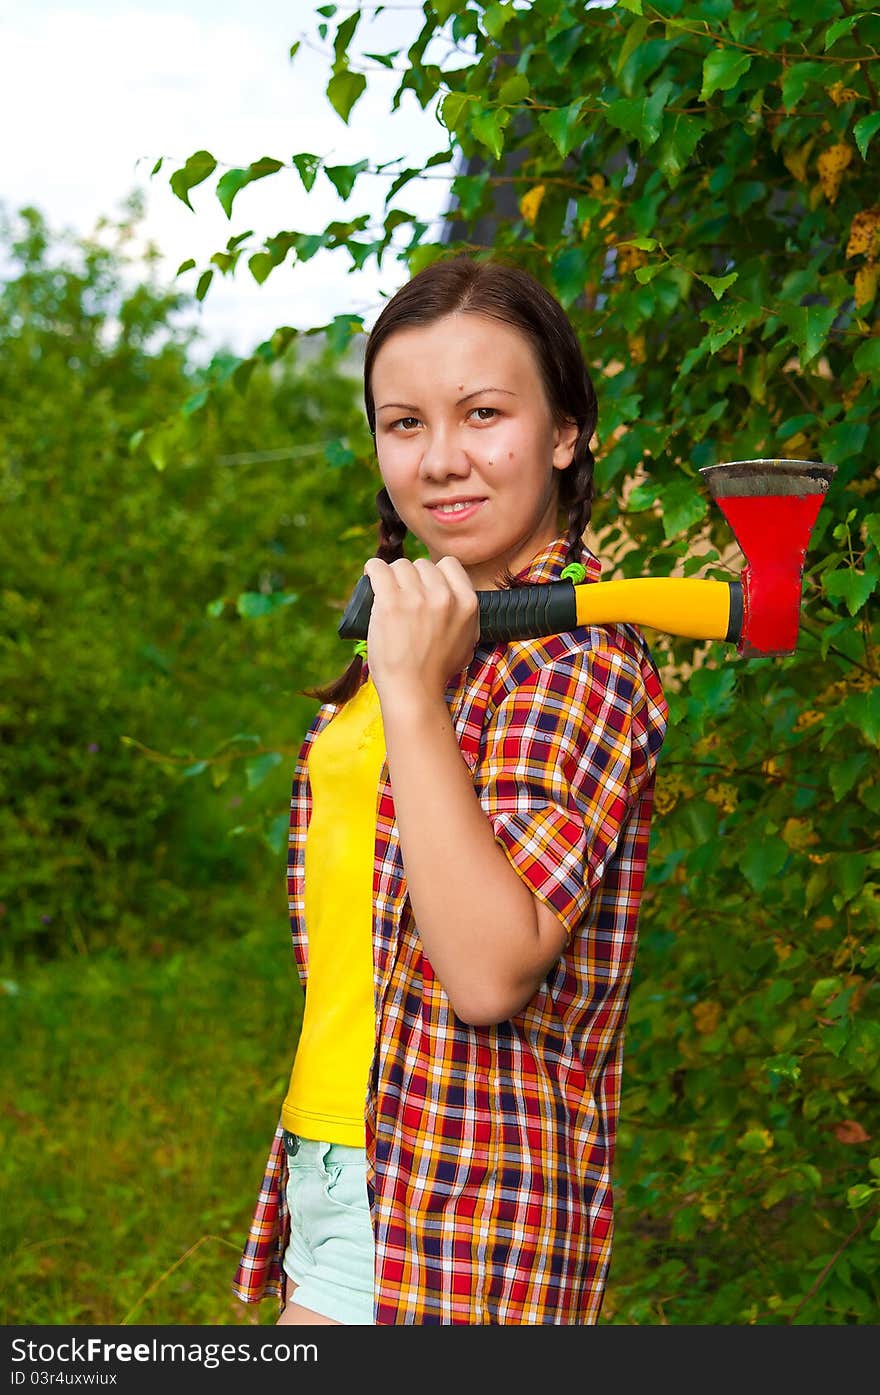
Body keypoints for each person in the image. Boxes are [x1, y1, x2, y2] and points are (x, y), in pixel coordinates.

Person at [231, 252, 668, 1326]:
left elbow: (486, 972)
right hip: (341, 1158)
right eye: (405, 423)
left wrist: (415, 700)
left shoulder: (576, 662)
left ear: (565, 432)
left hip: (464, 1190)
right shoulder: (409, 641)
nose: (440, 460)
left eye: (481, 413)